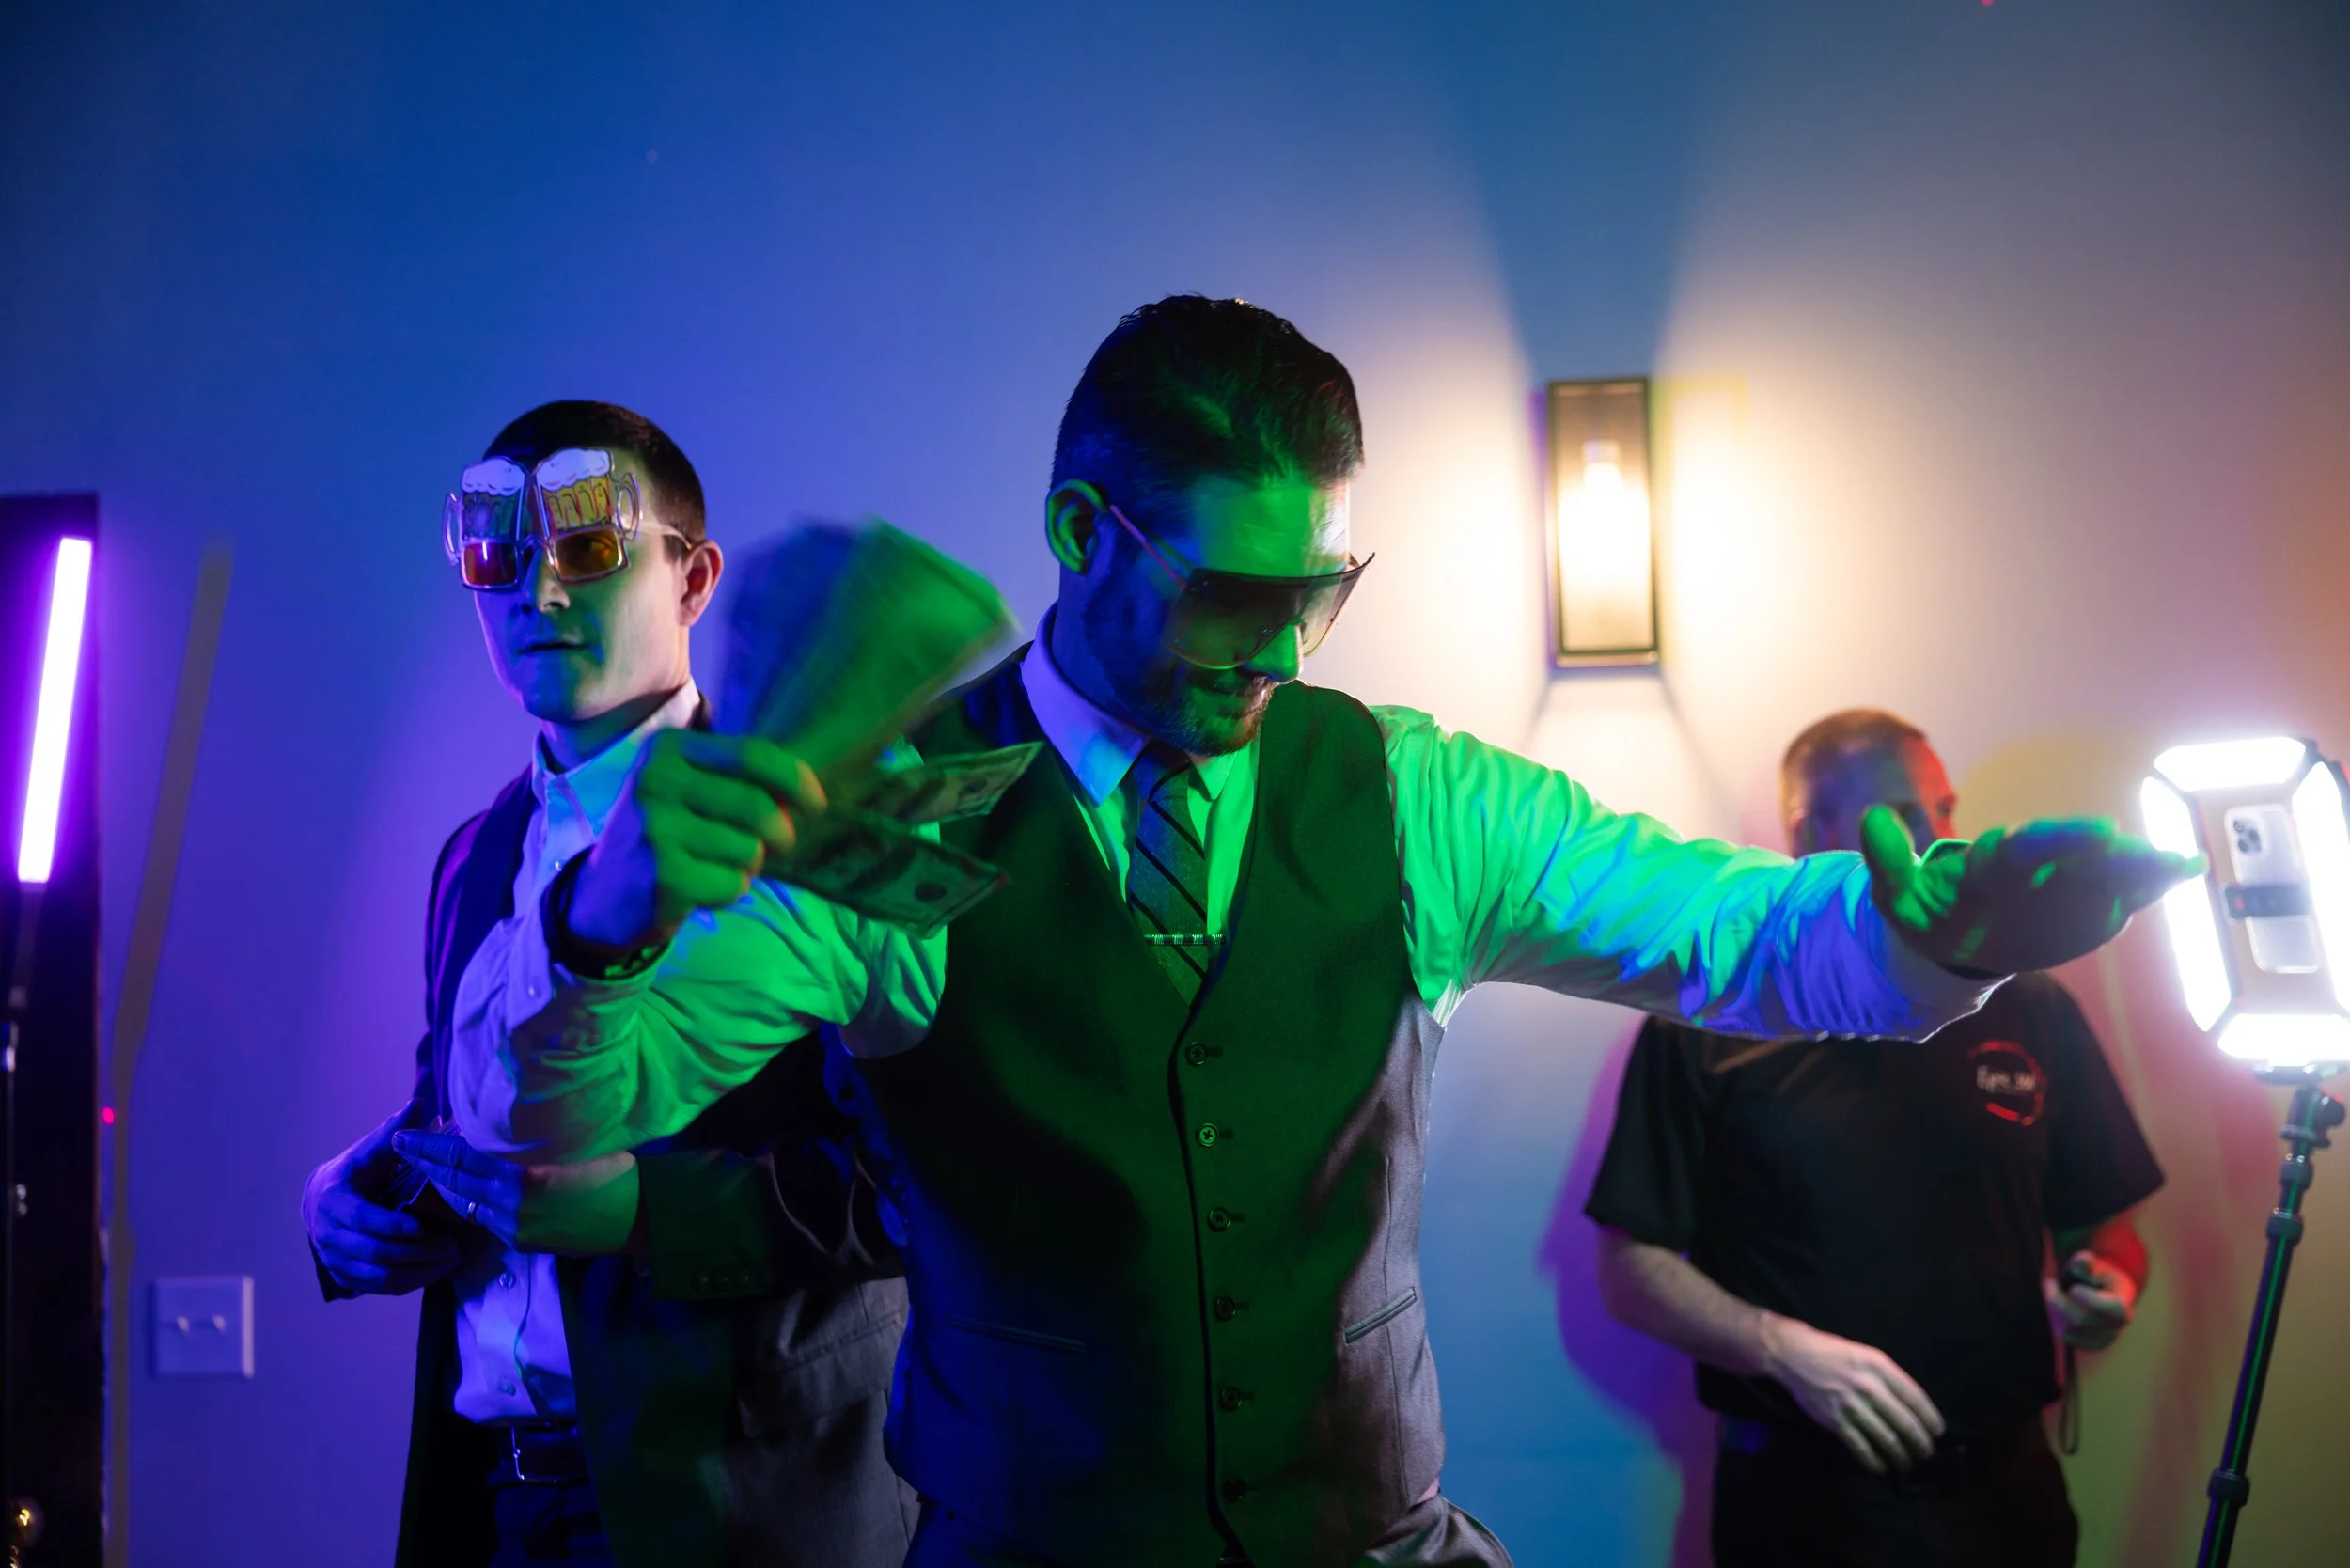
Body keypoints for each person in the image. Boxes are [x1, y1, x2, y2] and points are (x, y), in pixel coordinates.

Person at [443, 300, 2190, 1568]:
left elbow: (1744, 939)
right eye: (1231, 593)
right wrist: (602, 932)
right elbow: (560, 1148)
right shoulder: (890, 809)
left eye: (1321, 592)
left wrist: (1934, 947)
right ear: (1080, 533)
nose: (1281, 654)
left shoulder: (1416, 793)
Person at [301, 400, 915, 1568]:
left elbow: (912, 1185)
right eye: (501, 556)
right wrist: (348, 1202)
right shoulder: (474, 856)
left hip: (749, 1506)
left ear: (694, 582)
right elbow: (472, 1114)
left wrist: (640, 1213)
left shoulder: (822, 827)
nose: (538, 593)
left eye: (589, 547)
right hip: (497, 1504)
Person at [1585, 708, 2164, 1568]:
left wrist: (2107, 1287)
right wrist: (1783, 1350)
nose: (1938, 840)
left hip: (2009, 1502)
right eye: (1903, 818)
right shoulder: (1710, 1009)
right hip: (1806, 1510)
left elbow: (2106, 1231)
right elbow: (1632, 1271)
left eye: (1943, 808)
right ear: (1806, 833)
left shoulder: (2028, 1002)